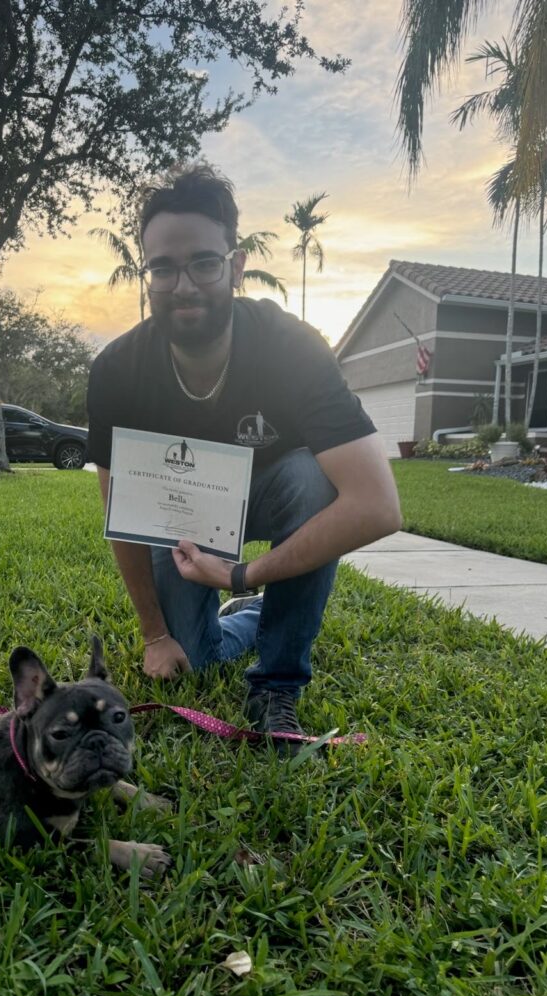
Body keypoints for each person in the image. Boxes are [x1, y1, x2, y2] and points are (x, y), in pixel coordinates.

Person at [86, 166, 401, 751]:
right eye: (163, 267)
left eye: (204, 263)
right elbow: (122, 517)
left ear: (233, 267)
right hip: (183, 518)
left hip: (280, 498)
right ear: (146, 275)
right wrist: (154, 635)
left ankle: (277, 678)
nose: (183, 285)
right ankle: (253, 615)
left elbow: (378, 506)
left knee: (315, 478)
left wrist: (240, 573)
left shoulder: (294, 347)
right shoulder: (115, 372)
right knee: (195, 662)